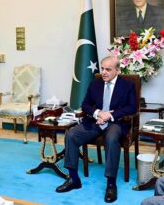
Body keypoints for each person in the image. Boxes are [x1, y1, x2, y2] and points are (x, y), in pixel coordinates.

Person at [55, 56, 137, 203]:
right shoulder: (95, 83)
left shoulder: (127, 85)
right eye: (103, 68)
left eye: (108, 69)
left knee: (111, 139)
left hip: (115, 123)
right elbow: (85, 104)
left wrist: (109, 116)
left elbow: (132, 107)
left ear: (117, 70)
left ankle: (111, 183)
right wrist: (98, 113)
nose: (104, 72)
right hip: (95, 121)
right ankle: (73, 179)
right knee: (71, 134)